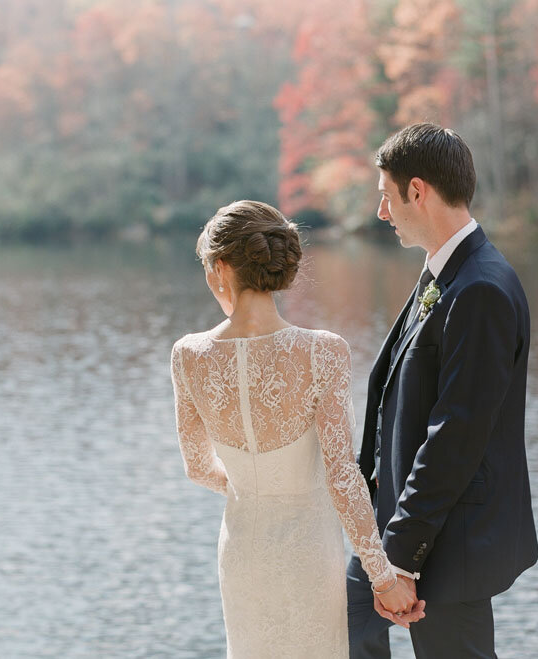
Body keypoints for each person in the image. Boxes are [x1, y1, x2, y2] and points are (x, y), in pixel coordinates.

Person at [169, 200, 424, 658]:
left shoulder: (188, 355)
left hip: (241, 548)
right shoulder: (321, 352)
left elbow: (197, 468)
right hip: (309, 551)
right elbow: (343, 478)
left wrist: (249, 488)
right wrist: (383, 579)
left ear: (222, 267)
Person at [347, 123, 538, 658]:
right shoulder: (443, 272)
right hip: (399, 522)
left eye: (386, 196)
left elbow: (457, 432)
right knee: (347, 627)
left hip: (448, 539)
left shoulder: (479, 288)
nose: (381, 212)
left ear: (417, 191)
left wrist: (403, 557)